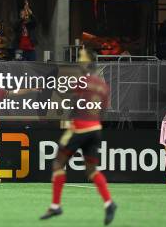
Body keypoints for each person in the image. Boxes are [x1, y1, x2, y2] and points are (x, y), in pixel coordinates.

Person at [40, 48, 117, 225]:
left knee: (58, 163)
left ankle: (55, 205)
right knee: (91, 170)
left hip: (80, 128)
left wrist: (70, 124)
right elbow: (104, 109)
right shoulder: (104, 86)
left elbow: (75, 104)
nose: (79, 61)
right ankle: (109, 203)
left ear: (88, 63)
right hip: (96, 128)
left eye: (81, 58)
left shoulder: (81, 81)